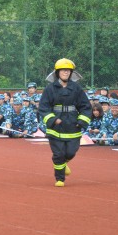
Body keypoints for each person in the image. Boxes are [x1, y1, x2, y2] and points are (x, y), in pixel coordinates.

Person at [38, 58, 91, 187]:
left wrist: (81, 121)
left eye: (68, 71)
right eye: (63, 70)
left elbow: (85, 107)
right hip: (55, 127)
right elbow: (43, 107)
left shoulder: (77, 89)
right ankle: (60, 178)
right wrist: (53, 119)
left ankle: (64, 164)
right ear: (57, 73)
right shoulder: (50, 89)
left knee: (70, 152)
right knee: (59, 153)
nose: (66, 73)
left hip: (73, 124)